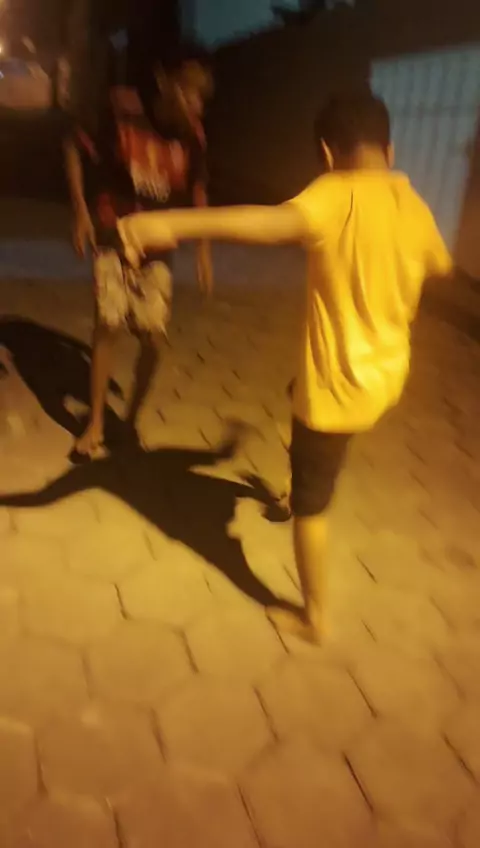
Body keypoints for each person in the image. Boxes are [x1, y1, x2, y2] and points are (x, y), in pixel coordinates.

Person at [117, 91, 452, 643]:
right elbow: (438, 263)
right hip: (388, 376)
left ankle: (314, 616)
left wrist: (167, 223)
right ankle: (300, 476)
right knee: (301, 394)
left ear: (327, 153)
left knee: (312, 505)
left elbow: (264, 223)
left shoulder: (334, 194)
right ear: (390, 150)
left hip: (335, 393)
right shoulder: (411, 203)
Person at [64, 49, 214, 458]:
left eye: (202, 98)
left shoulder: (193, 135)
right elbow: (73, 145)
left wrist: (203, 250)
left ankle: (129, 420)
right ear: (166, 84)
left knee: (153, 338)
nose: (197, 105)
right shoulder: (122, 111)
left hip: (158, 246)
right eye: (190, 93)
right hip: (114, 233)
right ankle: (96, 423)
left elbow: (199, 189)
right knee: (108, 322)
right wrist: (80, 210)